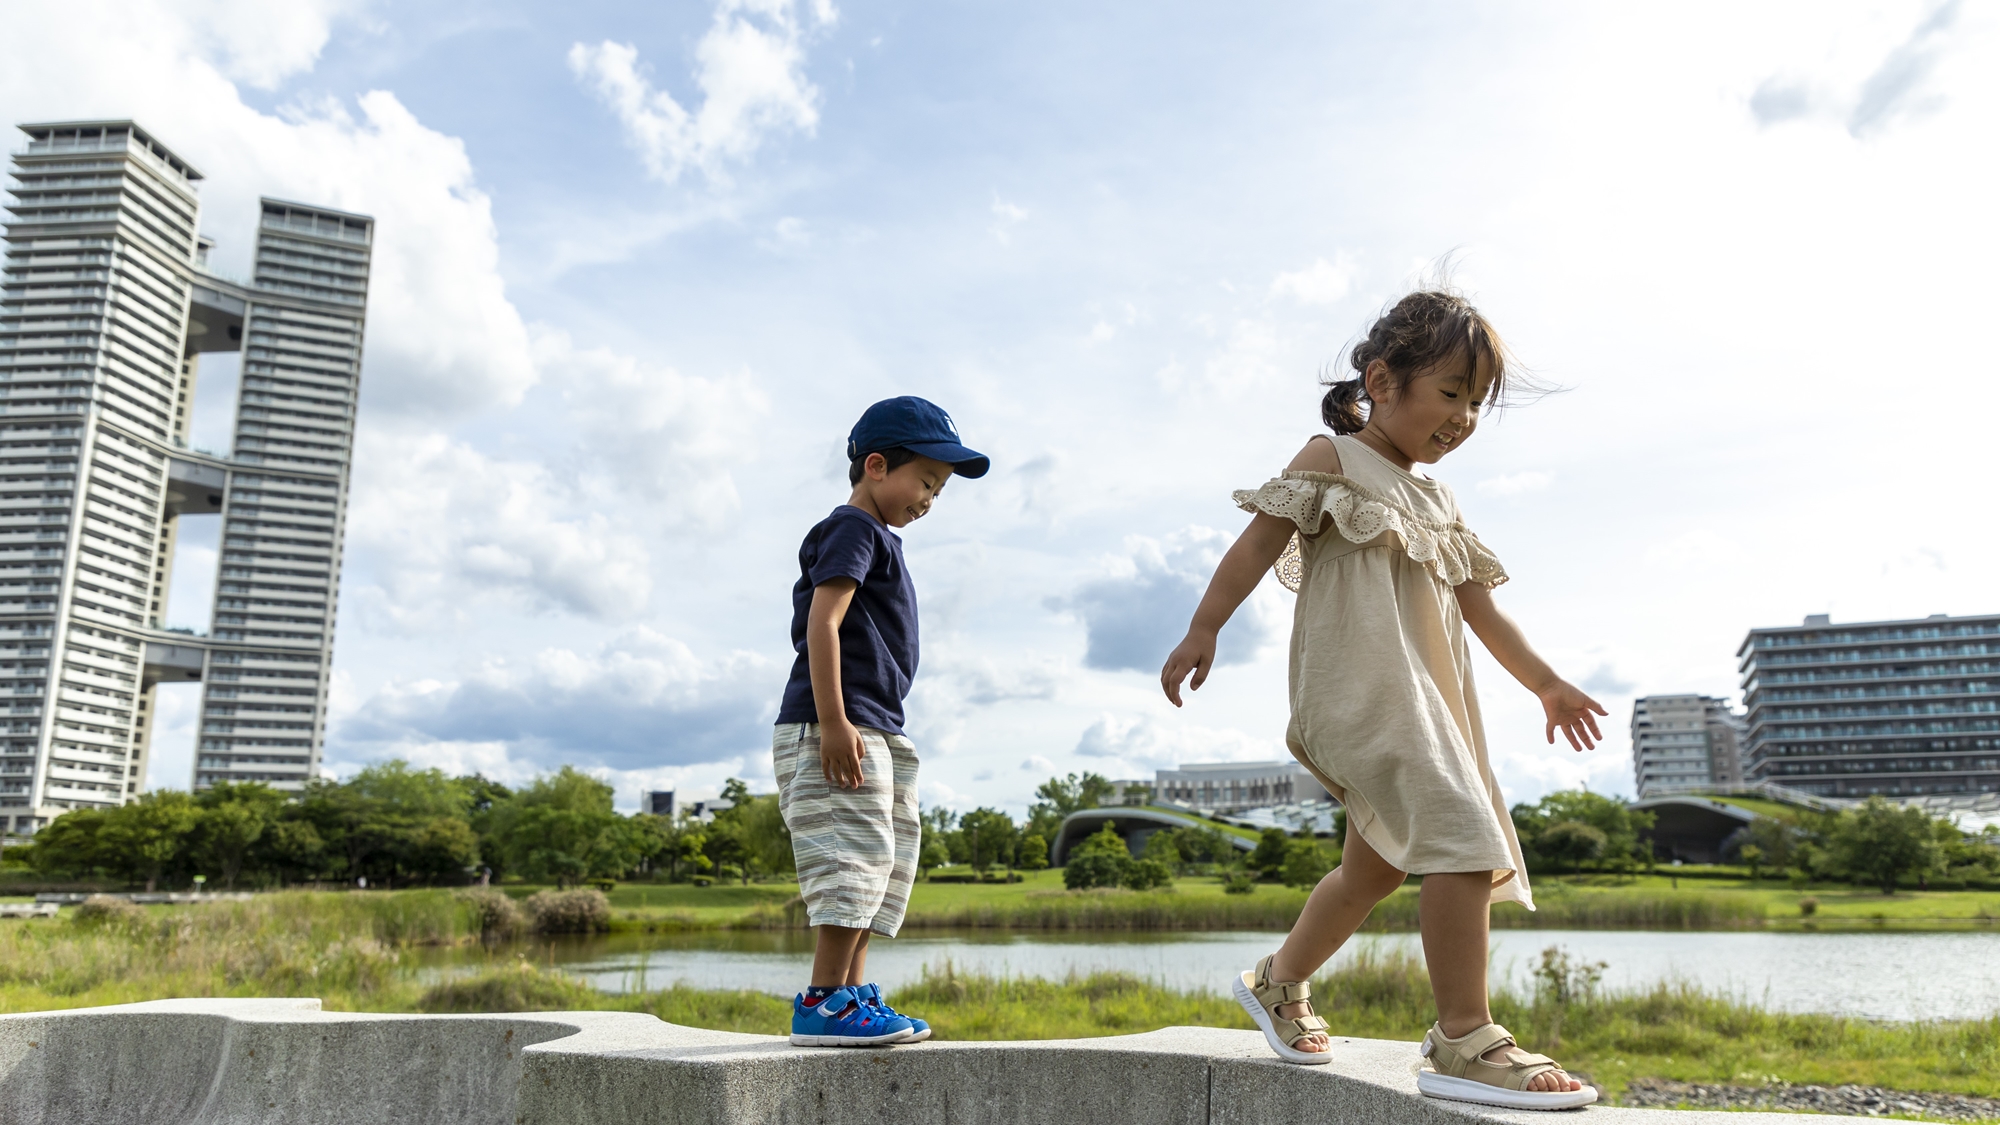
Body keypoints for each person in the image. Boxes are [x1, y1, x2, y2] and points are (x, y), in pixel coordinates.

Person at [1160, 290, 1605, 1110]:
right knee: (1460, 831)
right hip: (1358, 690)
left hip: (1426, 701)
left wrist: (1545, 681)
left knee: (1376, 866)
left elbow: (1482, 609)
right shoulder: (1332, 459)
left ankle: (1278, 980)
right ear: (1382, 379)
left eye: (1477, 402)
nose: (1464, 416)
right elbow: (1256, 542)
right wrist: (1202, 627)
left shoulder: (1440, 502)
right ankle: (1464, 1035)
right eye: (1450, 392)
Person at [775, 396, 989, 1048]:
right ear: (875, 465)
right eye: (926, 481)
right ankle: (822, 1000)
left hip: (878, 725)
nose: (930, 498)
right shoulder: (852, 529)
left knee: (882, 866)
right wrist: (835, 720)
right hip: (838, 722)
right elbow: (824, 622)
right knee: (852, 860)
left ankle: (851, 996)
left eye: (940, 489)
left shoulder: (879, 538)